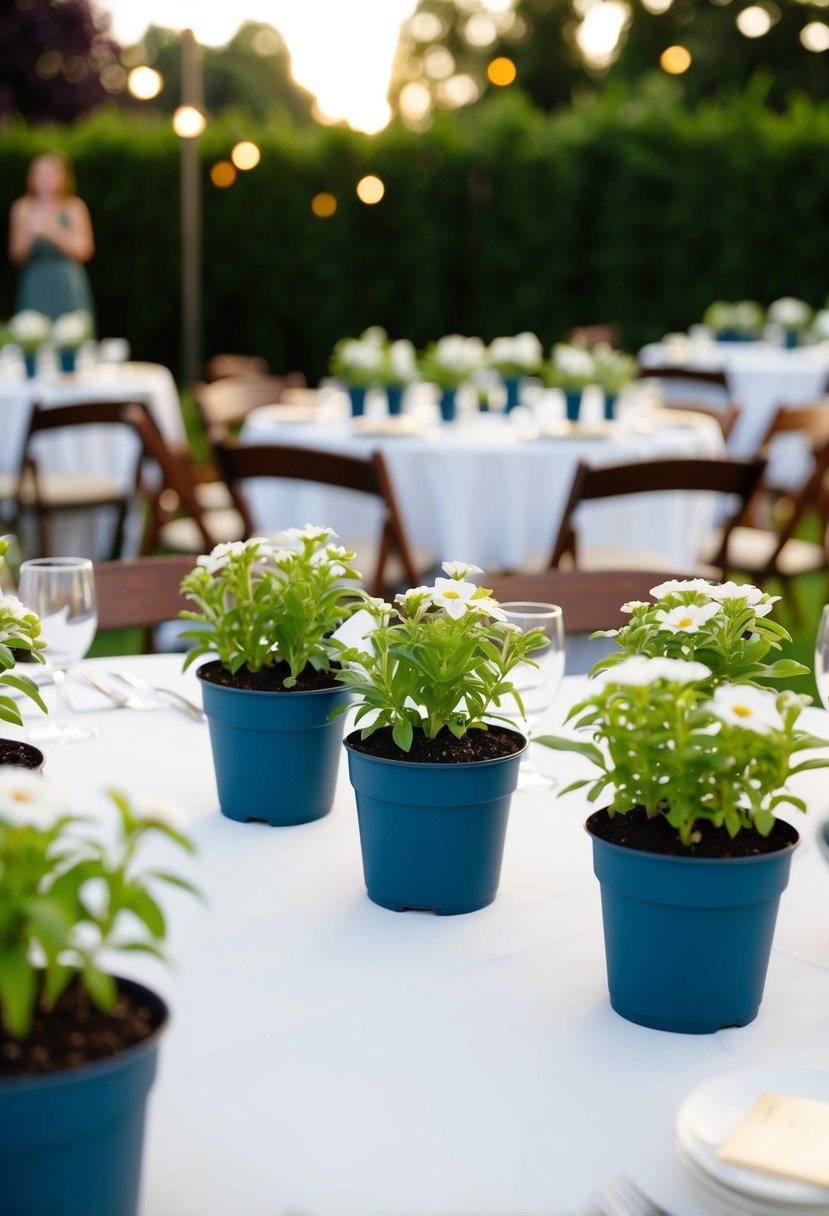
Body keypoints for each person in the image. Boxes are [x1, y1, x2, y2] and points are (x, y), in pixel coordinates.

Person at [8, 152, 95, 327]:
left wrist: (56, 233)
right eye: (40, 174)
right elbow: (16, 255)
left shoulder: (74, 206)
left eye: (50, 174)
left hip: (68, 282)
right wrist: (32, 235)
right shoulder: (22, 208)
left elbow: (85, 250)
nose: (45, 179)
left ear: (63, 177)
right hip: (36, 281)